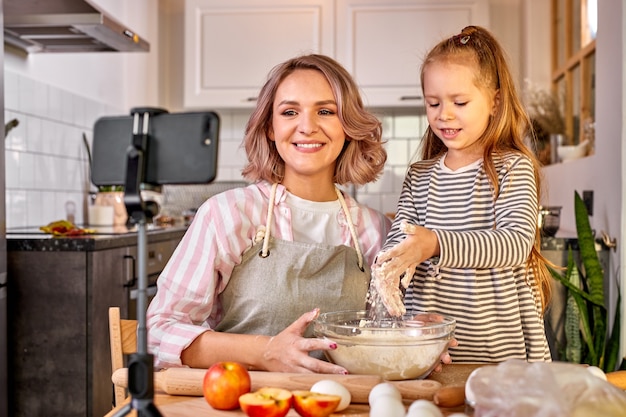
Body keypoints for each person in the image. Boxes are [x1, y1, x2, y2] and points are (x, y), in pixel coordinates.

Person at [146, 54, 392, 374]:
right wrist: (264, 351)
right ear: (271, 128)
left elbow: (386, 334)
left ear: (347, 126)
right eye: (290, 112)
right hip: (244, 402)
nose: (307, 126)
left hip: (342, 403)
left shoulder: (375, 229)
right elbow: (159, 331)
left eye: (326, 111)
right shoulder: (229, 214)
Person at [371, 26, 552, 363]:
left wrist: (435, 243)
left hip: (500, 357)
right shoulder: (420, 175)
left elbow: (513, 244)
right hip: (435, 353)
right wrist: (389, 268)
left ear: (494, 102)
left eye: (460, 102)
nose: (445, 114)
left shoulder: (513, 168)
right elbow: (398, 246)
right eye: (433, 103)